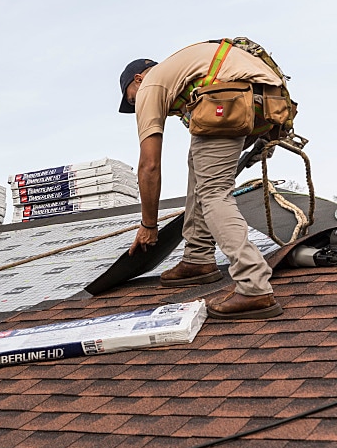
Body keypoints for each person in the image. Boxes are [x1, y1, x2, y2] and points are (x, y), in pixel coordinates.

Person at [118, 41, 287, 320]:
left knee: (214, 192)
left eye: (132, 99)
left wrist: (148, 225)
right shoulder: (187, 74)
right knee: (199, 162)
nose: (136, 105)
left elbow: (149, 165)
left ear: (139, 79)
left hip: (233, 98)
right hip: (266, 100)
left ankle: (254, 286)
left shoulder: (151, 85)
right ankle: (198, 259)